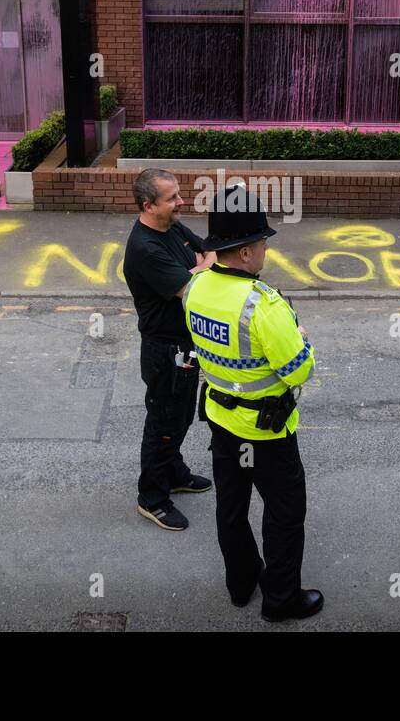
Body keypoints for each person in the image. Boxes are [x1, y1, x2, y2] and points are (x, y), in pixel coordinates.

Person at [181, 186, 322, 622]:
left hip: (222, 421)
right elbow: (300, 370)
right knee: (284, 515)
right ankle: (280, 601)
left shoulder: (197, 286)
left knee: (231, 507)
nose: (265, 248)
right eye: (262, 241)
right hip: (267, 432)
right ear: (243, 252)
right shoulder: (264, 305)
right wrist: (302, 337)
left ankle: (241, 585)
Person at [124, 168, 217, 531]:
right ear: (148, 205)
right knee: (162, 422)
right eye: (172, 198)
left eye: (179, 194)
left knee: (179, 416)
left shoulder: (172, 228)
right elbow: (190, 290)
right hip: (164, 351)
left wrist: (201, 265)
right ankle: (152, 497)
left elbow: (207, 251)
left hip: (186, 344)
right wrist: (201, 269)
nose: (181, 202)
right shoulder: (144, 247)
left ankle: (174, 472)